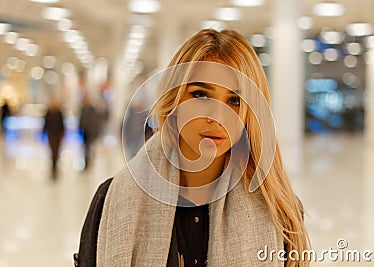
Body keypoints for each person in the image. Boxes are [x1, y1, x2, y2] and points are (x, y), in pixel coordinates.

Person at [75, 29, 310, 267]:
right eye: (201, 95)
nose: (218, 117)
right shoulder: (112, 199)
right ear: (174, 101)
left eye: (235, 100)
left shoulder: (279, 212)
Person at [43, 97, 65, 179]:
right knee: (52, 152)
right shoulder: (49, 112)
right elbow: (45, 123)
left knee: (56, 152)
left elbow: (62, 124)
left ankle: (55, 169)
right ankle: (53, 169)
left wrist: (63, 133)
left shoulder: (59, 112)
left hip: (57, 135)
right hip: (51, 135)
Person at [79, 95, 100, 170]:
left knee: (91, 148)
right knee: (85, 148)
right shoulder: (83, 109)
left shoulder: (93, 109)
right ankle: (86, 162)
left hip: (91, 132)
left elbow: (96, 121)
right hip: (85, 132)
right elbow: (81, 120)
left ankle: (90, 161)